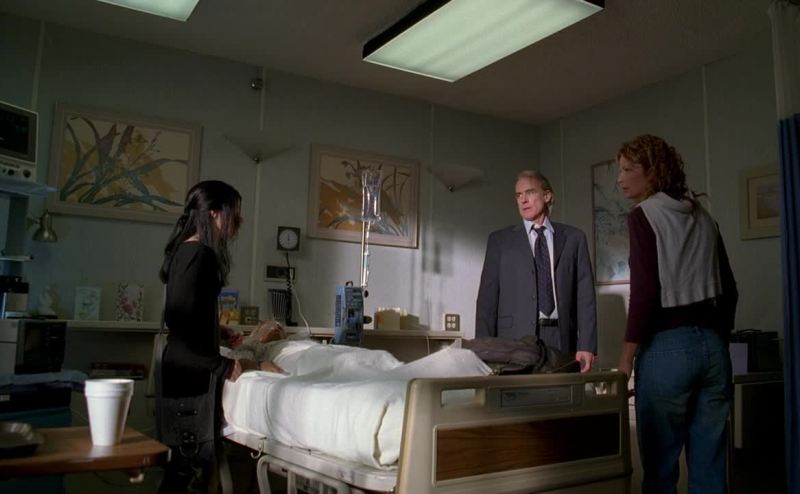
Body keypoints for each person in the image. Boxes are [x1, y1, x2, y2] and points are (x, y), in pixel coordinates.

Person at [616, 135, 738, 493]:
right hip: (713, 349)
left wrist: (626, 359)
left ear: (653, 171)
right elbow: (730, 290)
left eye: (628, 169)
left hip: (667, 349)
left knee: (660, 471)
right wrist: (716, 340)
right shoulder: (705, 217)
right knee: (711, 468)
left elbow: (644, 295)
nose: (620, 179)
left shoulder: (643, 215)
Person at [157, 180, 282, 493]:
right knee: (188, 477)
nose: (239, 221)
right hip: (190, 376)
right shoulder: (199, 255)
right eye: (233, 213)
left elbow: (185, 317)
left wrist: (218, 332)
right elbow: (179, 323)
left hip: (184, 371)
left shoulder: (185, 251)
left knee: (184, 474)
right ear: (214, 214)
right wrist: (229, 366)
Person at [476, 170, 597, 373]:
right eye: (518, 195)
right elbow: (487, 301)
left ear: (547, 196)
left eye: (530, 192)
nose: (523, 200)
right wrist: (482, 350)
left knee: (559, 392)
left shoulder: (574, 238)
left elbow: (585, 298)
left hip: (560, 338)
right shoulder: (500, 241)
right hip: (514, 341)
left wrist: (587, 345)